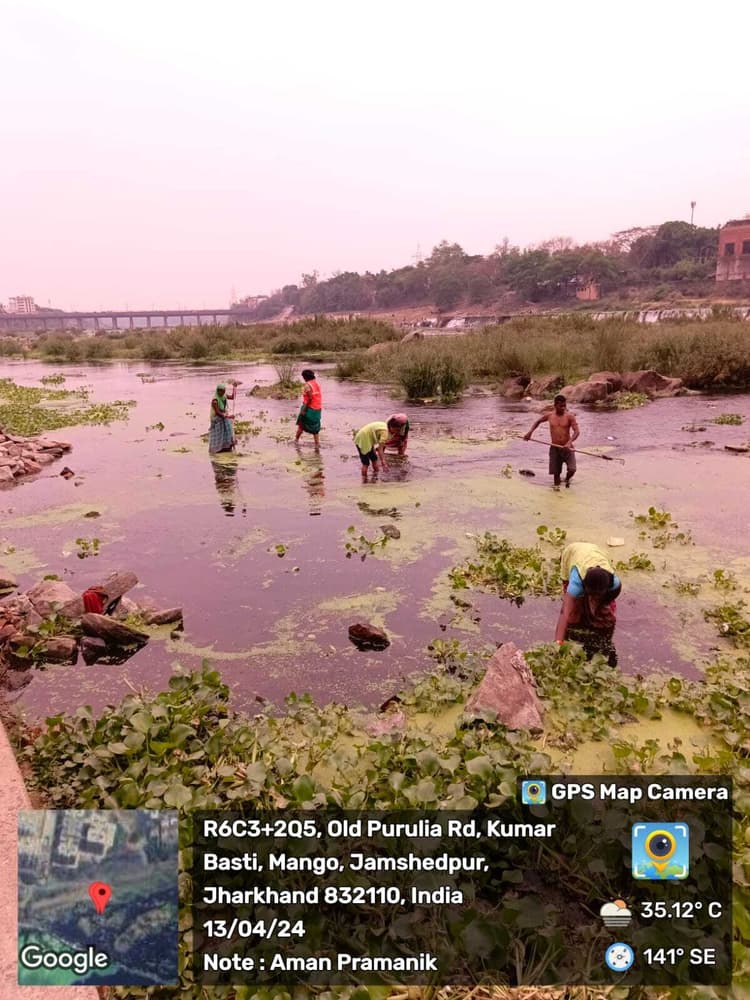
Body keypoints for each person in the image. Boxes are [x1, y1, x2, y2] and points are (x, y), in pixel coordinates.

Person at [555, 542, 622, 666]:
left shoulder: (615, 583)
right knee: (573, 617)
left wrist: (600, 607)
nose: (594, 599)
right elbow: (564, 614)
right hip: (573, 552)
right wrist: (558, 643)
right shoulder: (576, 583)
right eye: (591, 596)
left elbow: (609, 598)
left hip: (594, 551)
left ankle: (596, 611)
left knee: (606, 614)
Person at [524, 394, 580, 489]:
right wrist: (530, 432)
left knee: (572, 469)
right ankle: (556, 493)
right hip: (555, 448)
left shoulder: (570, 417)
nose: (563, 408)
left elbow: (577, 432)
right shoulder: (550, 416)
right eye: (561, 406)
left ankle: (567, 479)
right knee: (556, 475)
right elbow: (538, 421)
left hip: (567, 448)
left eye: (564, 406)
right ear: (555, 406)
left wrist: (569, 442)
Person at [295, 369, 322, 448]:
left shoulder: (307, 385)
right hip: (317, 408)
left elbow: (310, 398)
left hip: (309, 407)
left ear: (305, 377)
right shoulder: (316, 384)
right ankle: (317, 444)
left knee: (301, 424)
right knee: (315, 427)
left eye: (303, 377)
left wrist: (304, 409)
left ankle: (296, 441)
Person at [208, 383, 236, 454]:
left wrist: (234, 388)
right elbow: (217, 412)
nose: (223, 393)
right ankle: (216, 448)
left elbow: (233, 397)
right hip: (216, 418)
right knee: (219, 434)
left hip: (224, 416)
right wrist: (228, 416)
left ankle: (227, 446)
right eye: (222, 391)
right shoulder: (215, 400)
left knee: (228, 430)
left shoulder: (224, 396)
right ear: (218, 391)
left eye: (224, 391)